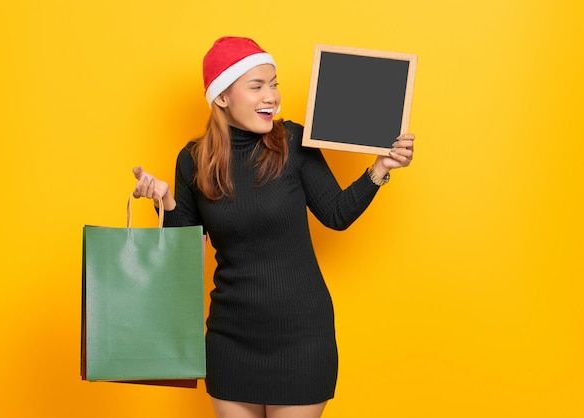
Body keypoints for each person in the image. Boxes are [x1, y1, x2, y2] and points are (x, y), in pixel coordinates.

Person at [132, 36, 415, 418]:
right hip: (230, 339)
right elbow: (181, 263)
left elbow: (336, 213)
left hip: (301, 338)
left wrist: (380, 168)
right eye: (257, 86)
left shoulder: (294, 141)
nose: (272, 96)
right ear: (222, 98)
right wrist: (164, 201)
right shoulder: (193, 160)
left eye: (274, 83)